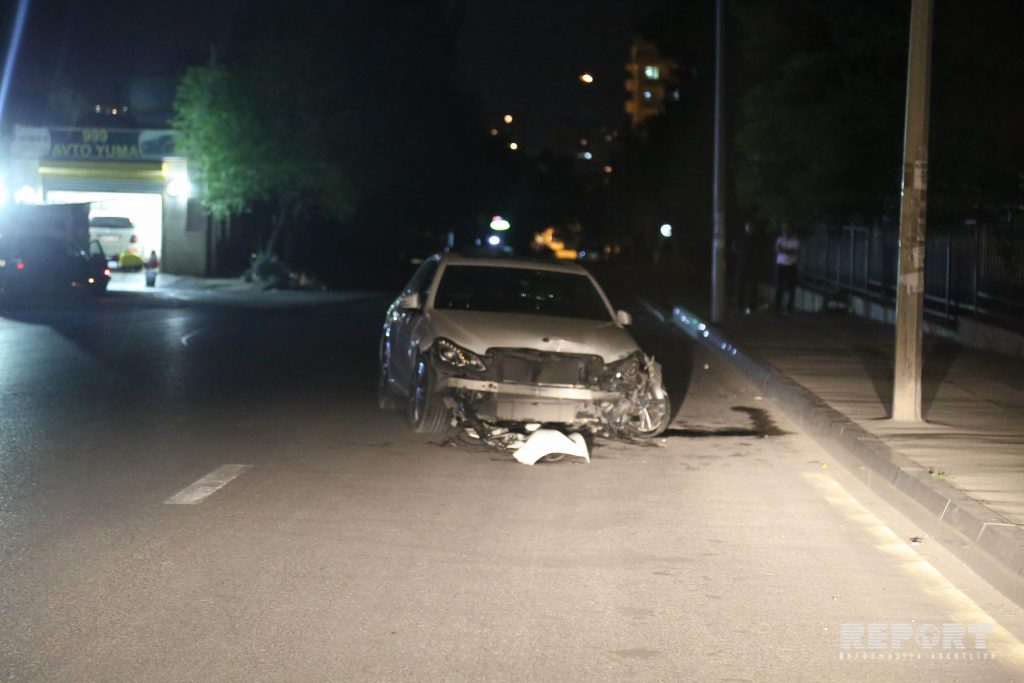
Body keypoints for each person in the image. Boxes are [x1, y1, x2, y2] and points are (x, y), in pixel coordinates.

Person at [732, 221, 760, 314]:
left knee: (751, 287)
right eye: (749, 227)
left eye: (752, 227)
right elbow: (734, 248)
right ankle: (740, 305)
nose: (751, 229)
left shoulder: (756, 239)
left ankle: (751, 306)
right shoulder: (740, 238)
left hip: (752, 266)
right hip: (741, 265)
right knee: (740, 286)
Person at [773, 222, 800, 314]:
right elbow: (777, 250)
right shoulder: (779, 239)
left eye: (787, 228)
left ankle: (789, 308)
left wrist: (783, 250)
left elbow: (795, 252)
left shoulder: (795, 240)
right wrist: (788, 250)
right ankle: (777, 308)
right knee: (779, 287)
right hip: (781, 265)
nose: (786, 230)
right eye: (784, 228)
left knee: (791, 288)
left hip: (791, 266)